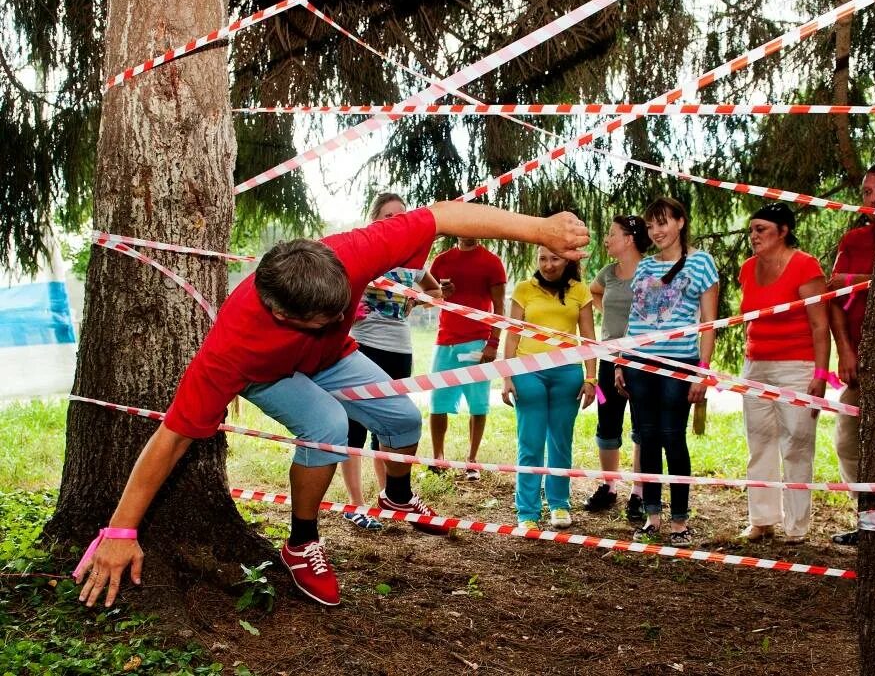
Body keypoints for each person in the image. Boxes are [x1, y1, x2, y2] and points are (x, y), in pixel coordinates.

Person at [74, 202, 589, 608]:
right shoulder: (231, 348)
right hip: (269, 373)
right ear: (278, 310)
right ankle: (301, 542)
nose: (337, 315)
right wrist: (120, 530)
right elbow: (171, 438)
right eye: (321, 317)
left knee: (403, 416)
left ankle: (397, 497)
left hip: (334, 358)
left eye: (340, 307)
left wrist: (539, 229)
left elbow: (445, 213)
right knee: (328, 424)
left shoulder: (352, 251)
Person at [613, 197, 719, 545]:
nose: (656, 231)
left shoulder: (702, 263)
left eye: (663, 223)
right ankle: (652, 516)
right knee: (647, 437)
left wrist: (703, 372)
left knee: (673, 436)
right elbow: (635, 319)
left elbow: (708, 323)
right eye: (651, 225)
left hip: (679, 364)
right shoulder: (644, 268)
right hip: (640, 364)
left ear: (681, 222)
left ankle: (679, 522)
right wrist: (620, 360)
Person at [344, 193, 443, 531]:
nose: (396, 221)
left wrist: (409, 308)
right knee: (353, 426)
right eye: (388, 215)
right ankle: (355, 504)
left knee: (389, 426)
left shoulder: (412, 260)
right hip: (364, 345)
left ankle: (390, 499)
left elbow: (437, 293)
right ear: (375, 220)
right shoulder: (366, 250)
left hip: (400, 349)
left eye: (401, 215)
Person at [738, 202, 830, 545]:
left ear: (784, 231)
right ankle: (761, 520)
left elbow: (820, 325)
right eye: (751, 230)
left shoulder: (805, 266)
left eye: (761, 229)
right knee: (759, 442)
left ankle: (797, 527)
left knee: (796, 444)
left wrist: (821, 373)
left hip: (798, 366)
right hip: (756, 364)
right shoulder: (747, 269)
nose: (753, 236)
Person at [502, 247, 597, 530]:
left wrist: (591, 379)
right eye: (542, 258)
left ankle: (558, 504)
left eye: (554, 259)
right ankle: (527, 512)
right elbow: (511, 335)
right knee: (530, 442)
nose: (548, 264)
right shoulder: (523, 289)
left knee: (560, 440)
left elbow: (589, 338)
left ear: (567, 261)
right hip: (527, 373)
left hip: (568, 375)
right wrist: (506, 376)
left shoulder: (580, 291)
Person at [827, 162, 875, 546]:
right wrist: (845, 351)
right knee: (847, 441)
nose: (874, 199)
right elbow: (832, 293)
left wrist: (860, 281)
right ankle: (867, 518)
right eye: (867, 192)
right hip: (860, 361)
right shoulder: (854, 240)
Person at [583, 215, 652, 521]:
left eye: (612, 234)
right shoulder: (608, 272)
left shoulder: (651, 271)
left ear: (629, 239)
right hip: (609, 359)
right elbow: (593, 292)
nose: (606, 239)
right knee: (607, 423)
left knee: (641, 428)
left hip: (644, 360)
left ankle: (638, 493)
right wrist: (609, 315)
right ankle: (608, 487)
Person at [428, 236, 507, 481]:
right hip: (444, 341)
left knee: (478, 403)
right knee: (437, 401)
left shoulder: (491, 262)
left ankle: (472, 460)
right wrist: (441, 294)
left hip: (477, 341)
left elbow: (499, 306)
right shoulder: (442, 260)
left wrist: (493, 343)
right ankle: (438, 457)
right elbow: (428, 300)